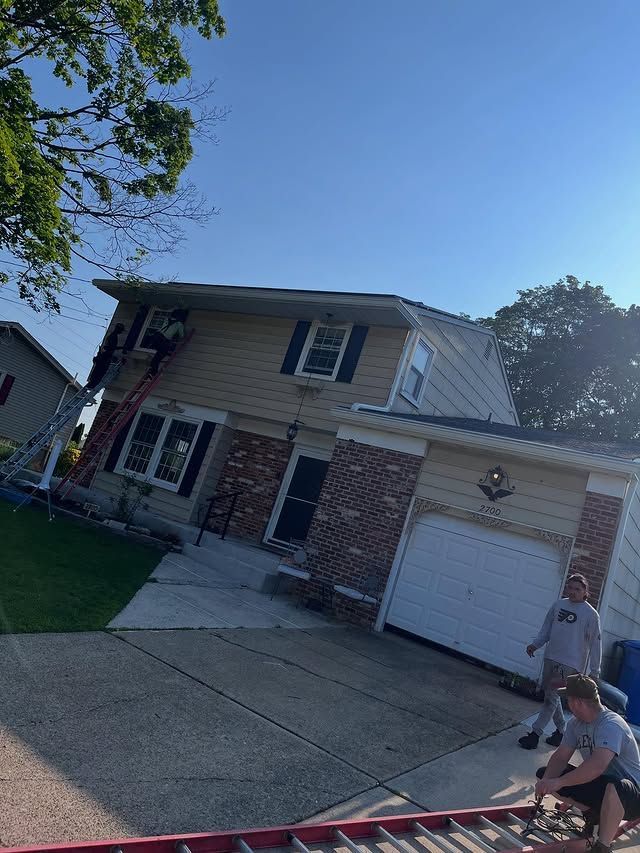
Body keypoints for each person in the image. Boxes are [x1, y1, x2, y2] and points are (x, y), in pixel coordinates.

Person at [534, 674, 640, 852]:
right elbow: (561, 757)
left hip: (632, 796)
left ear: (578, 702)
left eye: (569, 699)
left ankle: (603, 846)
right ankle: (593, 815)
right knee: (544, 774)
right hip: (604, 787)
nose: (568, 704)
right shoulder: (575, 724)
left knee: (615, 786)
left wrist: (559, 782)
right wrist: (547, 781)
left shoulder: (611, 724)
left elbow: (597, 766)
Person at [518, 573, 601, 750]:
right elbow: (546, 628)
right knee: (551, 695)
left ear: (585, 591)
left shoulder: (590, 614)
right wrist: (535, 644)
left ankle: (535, 734)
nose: (572, 591)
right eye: (570, 587)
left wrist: (595, 671)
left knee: (551, 697)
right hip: (551, 657)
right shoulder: (559, 605)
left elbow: (596, 644)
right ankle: (561, 731)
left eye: (577, 589)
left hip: (570, 664)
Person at [146, 309, 187, 377]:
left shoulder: (167, 320)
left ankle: (152, 370)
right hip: (163, 340)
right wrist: (177, 334)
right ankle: (153, 372)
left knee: (158, 356)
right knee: (160, 355)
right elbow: (182, 335)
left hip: (156, 337)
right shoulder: (179, 324)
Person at [86, 322, 126, 388]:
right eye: (121, 330)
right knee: (100, 372)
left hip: (104, 356)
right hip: (104, 357)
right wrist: (122, 347)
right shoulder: (113, 336)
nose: (121, 332)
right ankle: (92, 384)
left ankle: (92, 384)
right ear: (118, 329)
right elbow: (112, 347)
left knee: (98, 371)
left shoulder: (113, 335)